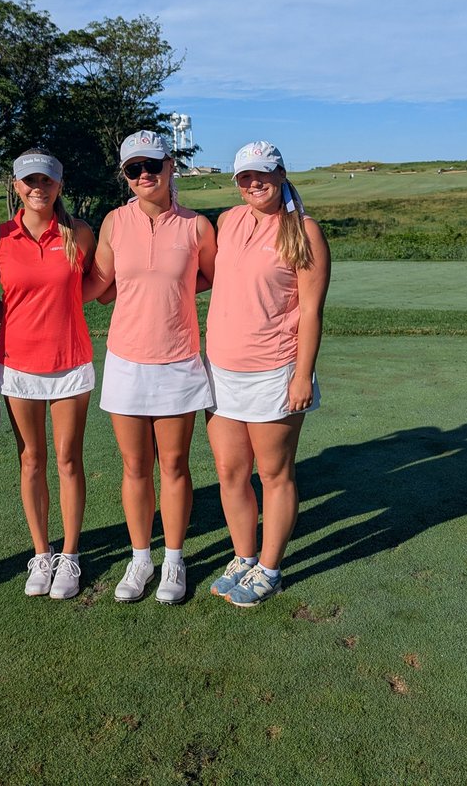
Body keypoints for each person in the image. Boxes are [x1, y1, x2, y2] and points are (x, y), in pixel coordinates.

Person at [85, 131, 217, 604]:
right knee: (136, 467)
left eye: (152, 166)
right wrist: (39, 295)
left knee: (176, 466)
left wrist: (173, 290)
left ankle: (175, 562)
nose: (144, 175)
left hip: (179, 361)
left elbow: (211, 277)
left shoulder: (197, 226)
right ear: (125, 175)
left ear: (169, 168)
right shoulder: (114, 223)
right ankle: (141, 558)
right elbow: (101, 283)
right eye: (133, 169)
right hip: (126, 361)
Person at [204, 141, 330, 607]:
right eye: (244, 176)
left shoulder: (304, 231)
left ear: (279, 174)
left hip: (275, 370)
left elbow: (312, 312)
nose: (253, 183)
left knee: (274, 474)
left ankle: (270, 568)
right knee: (230, 472)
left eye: (262, 174)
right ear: (236, 182)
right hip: (221, 370)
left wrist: (303, 376)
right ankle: (243, 557)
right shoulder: (228, 221)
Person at [0, 148, 96, 600]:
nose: (37, 188)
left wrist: (60, 312)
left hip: (70, 361)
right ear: (16, 186)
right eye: (29, 181)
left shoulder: (79, 234)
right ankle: (41, 554)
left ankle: (70, 555)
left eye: (46, 181)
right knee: (31, 459)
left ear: (58, 186)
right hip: (19, 364)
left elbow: (98, 286)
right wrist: (19, 319)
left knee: (67, 459)